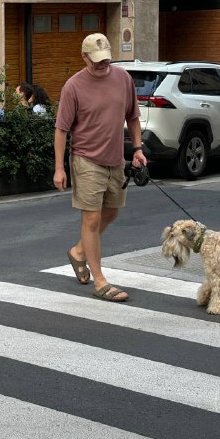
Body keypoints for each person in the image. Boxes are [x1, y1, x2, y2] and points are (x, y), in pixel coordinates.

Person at [54, 33, 147, 302]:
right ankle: (101, 281)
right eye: (96, 61)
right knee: (91, 218)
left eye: (105, 59)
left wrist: (138, 149)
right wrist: (59, 168)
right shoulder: (73, 86)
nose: (102, 64)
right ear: (84, 57)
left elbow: (133, 116)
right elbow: (61, 130)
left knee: (112, 213)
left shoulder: (122, 79)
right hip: (85, 159)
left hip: (115, 159)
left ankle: (79, 252)